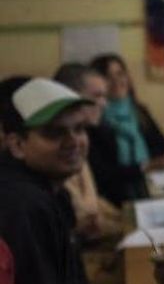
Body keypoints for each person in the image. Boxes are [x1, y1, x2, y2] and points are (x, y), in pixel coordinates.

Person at [0, 77, 96, 284]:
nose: (74, 141)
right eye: (55, 133)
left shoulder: (52, 192)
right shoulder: (24, 205)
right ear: (17, 145)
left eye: (79, 129)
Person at [90, 53, 164, 202]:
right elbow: (103, 174)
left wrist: (161, 160)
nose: (116, 81)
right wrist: (144, 166)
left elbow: (162, 144)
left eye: (120, 74)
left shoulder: (138, 111)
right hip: (115, 198)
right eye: (108, 77)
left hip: (150, 187)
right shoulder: (94, 121)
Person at [53, 63, 124, 238]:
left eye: (78, 130)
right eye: (97, 96)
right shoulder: (59, 151)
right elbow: (83, 218)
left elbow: (94, 203)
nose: (104, 104)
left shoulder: (87, 138)